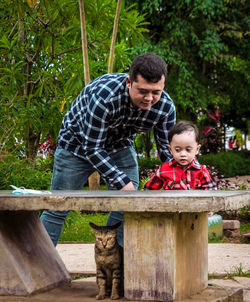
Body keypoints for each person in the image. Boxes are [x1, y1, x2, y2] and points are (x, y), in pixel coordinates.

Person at [40, 53, 176, 247]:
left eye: (156, 92)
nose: (149, 98)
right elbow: (93, 147)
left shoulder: (165, 107)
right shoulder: (104, 97)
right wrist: (121, 181)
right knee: (58, 206)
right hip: (76, 146)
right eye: (143, 91)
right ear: (129, 82)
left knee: (125, 205)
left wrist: (179, 176)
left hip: (119, 146)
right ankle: (39, 268)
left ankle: (114, 262)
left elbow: (166, 149)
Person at [144, 121, 216, 191]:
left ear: (197, 149)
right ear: (170, 149)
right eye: (177, 150)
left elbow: (211, 194)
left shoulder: (201, 171)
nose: (183, 154)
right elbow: (147, 191)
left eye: (188, 150)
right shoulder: (164, 169)